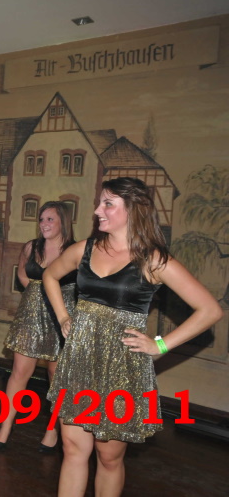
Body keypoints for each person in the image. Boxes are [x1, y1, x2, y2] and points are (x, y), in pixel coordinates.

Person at [43, 177, 222, 497]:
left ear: (133, 209)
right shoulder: (85, 249)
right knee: (72, 449)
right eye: (100, 203)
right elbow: (50, 275)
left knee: (109, 457)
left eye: (108, 204)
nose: (97, 210)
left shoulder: (154, 259)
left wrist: (160, 344)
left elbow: (209, 310)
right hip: (79, 362)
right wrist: (63, 317)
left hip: (122, 369)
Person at [0, 201, 76, 452]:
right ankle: (5, 427)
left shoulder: (75, 250)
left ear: (63, 221)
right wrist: (37, 293)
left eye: (50, 219)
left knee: (56, 375)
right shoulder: (31, 246)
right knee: (19, 372)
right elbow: (22, 274)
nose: (44, 224)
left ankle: (52, 430)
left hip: (61, 314)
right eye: (41, 219)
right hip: (31, 314)